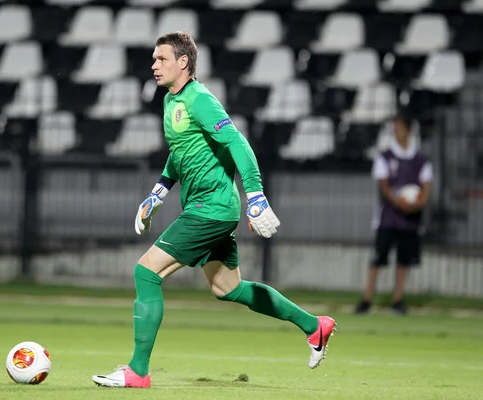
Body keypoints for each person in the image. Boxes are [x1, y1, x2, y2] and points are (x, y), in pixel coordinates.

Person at [92, 31, 337, 389]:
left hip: (212, 208)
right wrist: (158, 192)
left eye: (161, 59)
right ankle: (315, 326)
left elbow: (237, 142)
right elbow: (182, 152)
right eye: (154, 58)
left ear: (183, 63)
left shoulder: (200, 99)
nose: (153, 65)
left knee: (146, 273)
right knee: (227, 288)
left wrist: (256, 195)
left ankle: (138, 372)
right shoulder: (171, 101)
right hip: (209, 208)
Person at [355, 114, 433, 316]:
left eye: (399, 127)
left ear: (408, 130)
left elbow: (426, 188)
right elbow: (384, 187)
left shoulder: (420, 160)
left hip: (410, 220)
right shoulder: (385, 157)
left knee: (403, 260)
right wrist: (400, 202)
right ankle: (367, 299)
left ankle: (397, 300)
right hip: (388, 217)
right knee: (378, 259)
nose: (396, 132)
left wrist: (417, 204)